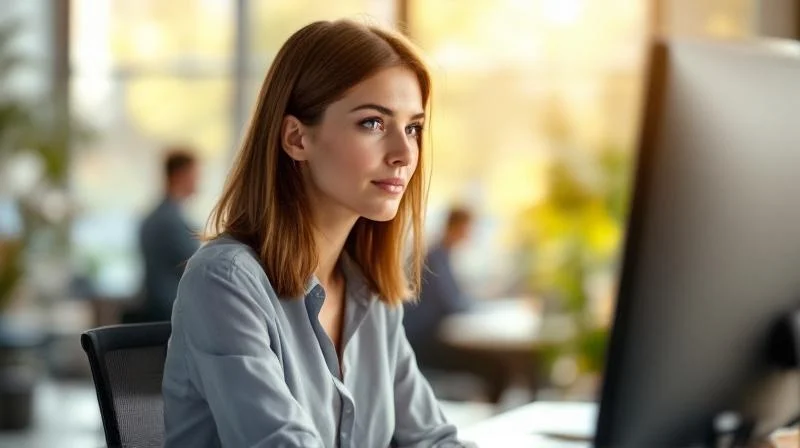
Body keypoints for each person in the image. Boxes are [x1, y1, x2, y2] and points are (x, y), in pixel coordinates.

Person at [162, 20, 467, 447]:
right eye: (373, 123)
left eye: (413, 128)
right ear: (296, 138)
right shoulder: (225, 282)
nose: (404, 154)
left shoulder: (372, 295)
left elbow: (432, 439)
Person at [404, 207, 511, 404]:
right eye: (468, 228)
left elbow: (454, 300)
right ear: (457, 227)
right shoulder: (434, 259)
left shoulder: (440, 255)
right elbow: (452, 303)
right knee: (497, 368)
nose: (470, 235)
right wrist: (481, 305)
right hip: (424, 342)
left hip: (433, 336)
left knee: (499, 366)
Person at [133, 149, 200, 323]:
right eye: (195, 175)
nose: (198, 181)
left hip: (155, 306)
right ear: (180, 175)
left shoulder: (153, 217)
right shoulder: (170, 221)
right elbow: (198, 266)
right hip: (169, 312)